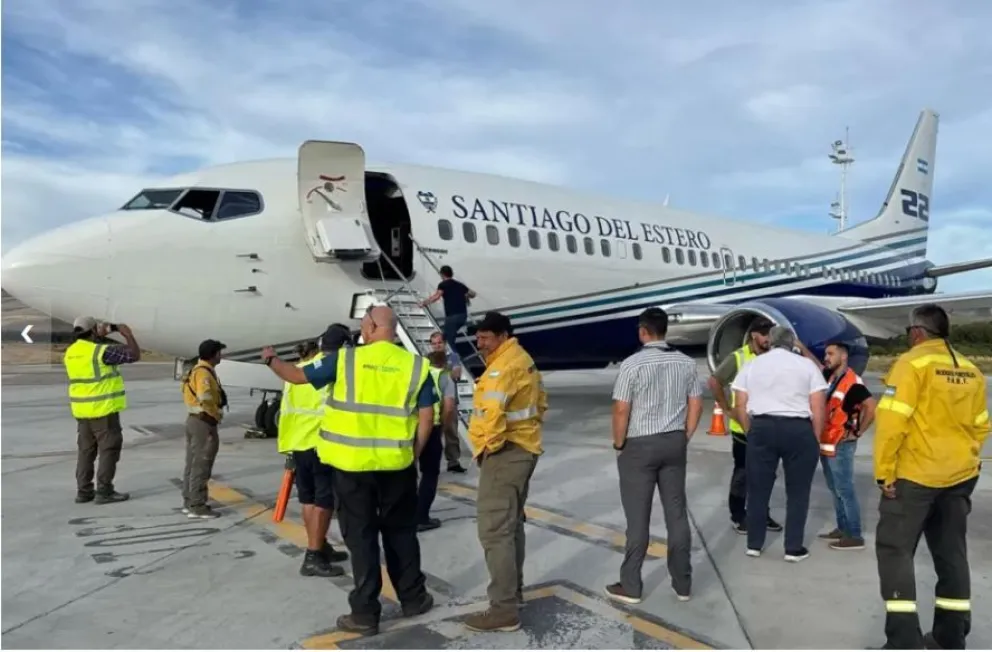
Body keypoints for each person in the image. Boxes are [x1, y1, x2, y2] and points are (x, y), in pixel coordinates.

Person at [261, 305, 436, 636]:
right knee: (401, 534)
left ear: (370, 327)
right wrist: (412, 455)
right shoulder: (415, 365)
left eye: (363, 325)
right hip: (397, 467)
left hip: (352, 469)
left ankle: (366, 614)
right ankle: (414, 598)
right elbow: (426, 417)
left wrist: (271, 359)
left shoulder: (345, 360)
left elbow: (296, 376)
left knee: (362, 539)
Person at [873, 304, 989, 650]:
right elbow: (982, 425)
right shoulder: (971, 370)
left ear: (917, 333)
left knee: (895, 552)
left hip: (915, 477)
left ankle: (903, 642)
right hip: (959, 476)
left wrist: (884, 472)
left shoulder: (911, 364)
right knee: (952, 555)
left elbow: (892, 423)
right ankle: (950, 636)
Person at [604, 308, 703, 605]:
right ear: (665, 331)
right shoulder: (685, 363)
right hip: (674, 442)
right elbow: (696, 405)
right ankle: (683, 584)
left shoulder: (632, 365)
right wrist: (684, 436)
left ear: (643, 331)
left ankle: (631, 585)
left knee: (638, 519)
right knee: (676, 514)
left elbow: (621, 408)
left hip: (639, 446)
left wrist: (619, 443)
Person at [462, 311, 547, 633]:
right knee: (511, 527)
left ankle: (503, 610)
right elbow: (541, 403)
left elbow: (492, 414)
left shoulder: (503, 367)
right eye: (478, 337)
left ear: (501, 335)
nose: (479, 343)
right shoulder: (521, 358)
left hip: (506, 454)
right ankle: (515, 594)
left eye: (484, 337)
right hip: (523, 449)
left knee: (495, 531)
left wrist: (487, 448)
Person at [731, 326, 827, 562]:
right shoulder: (806, 366)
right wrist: (815, 436)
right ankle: (793, 548)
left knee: (758, 490)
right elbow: (818, 405)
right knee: (798, 492)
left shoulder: (753, 364)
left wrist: (749, 429)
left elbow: (740, 403)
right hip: (798, 429)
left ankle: (754, 544)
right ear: (792, 342)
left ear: (771, 341)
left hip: (761, 427)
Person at [277, 326, 351, 576]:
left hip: (298, 444)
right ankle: (313, 555)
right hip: (321, 444)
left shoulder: (300, 369)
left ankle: (319, 545)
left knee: (308, 500)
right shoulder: (334, 368)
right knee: (324, 501)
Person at [706, 317, 782, 535]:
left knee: (767, 474)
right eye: (764, 334)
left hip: (768, 425)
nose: (768, 338)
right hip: (743, 429)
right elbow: (715, 381)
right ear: (753, 335)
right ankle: (738, 516)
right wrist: (726, 408)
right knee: (743, 474)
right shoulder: (739, 357)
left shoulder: (773, 357)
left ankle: (762, 514)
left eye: (770, 334)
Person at [64, 316, 141, 505]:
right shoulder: (100, 352)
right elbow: (133, 355)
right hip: (103, 410)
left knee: (86, 452)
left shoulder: (71, 352)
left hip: (82, 411)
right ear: (93, 331)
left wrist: (107, 330)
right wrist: (126, 334)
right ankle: (104, 490)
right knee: (109, 449)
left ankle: (84, 491)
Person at [816, 341, 875, 551]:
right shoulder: (832, 377)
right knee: (835, 488)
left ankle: (854, 534)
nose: (826, 357)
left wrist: (857, 432)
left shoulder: (852, 382)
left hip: (841, 443)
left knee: (845, 489)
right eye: (825, 354)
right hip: (828, 442)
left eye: (830, 354)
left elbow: (871, 407)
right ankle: (842, 528)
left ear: (843, 357)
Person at [181, 339, 228, 519]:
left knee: (192, 464)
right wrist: (216, 413)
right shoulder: (204, 374)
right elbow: (205, 397)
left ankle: (189, 500)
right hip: (203, 422)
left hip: (194, 420)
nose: (221, 356)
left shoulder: (196, 370)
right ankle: (198, 505)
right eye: (220, 353)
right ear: (214, 354)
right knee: (202, 464)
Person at [416, 350, 457, 531]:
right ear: (444, 363)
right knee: (430, 474)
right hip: (432, 428)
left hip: (412, 426)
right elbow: (448, 408)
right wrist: (445, 427)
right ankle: (421, 517)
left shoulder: (418, 375)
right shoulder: (445, 378)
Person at [430, 330, 467, 473]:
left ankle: (453, 461)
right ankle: (433, 462)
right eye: (433, 344)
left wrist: (439, 373)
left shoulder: (453, 357)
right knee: (433, 434)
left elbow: (456, 373)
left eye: (439, 343)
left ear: (444, 343)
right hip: (433, 402)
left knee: (451, 432)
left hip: (450, 399)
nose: (437, 346)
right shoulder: (428, 358)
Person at [418, 265, 476, 348]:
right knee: (444, 337)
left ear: (442, 274)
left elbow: (437, 296)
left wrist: (424, 303)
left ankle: (455, 359)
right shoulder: (459, 284)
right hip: (463, 316)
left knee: (448, 342)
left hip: (452, 317)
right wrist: (465, 295)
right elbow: (473, 294)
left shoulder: (443, 285)